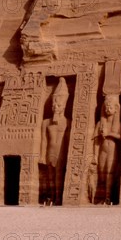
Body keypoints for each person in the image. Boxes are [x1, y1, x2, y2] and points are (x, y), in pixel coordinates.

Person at [40, 78, 70, 206]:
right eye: (53, 105)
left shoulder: (68, 122)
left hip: (61, 152)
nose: (55, 108)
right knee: (50, 177)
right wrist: (41, 156)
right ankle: (50, 197)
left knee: (59, 175)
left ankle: (58, 197)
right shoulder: (46, 123)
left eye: (58, 105)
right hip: (49, 152)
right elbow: (43, 140)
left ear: (64, 106)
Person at [92, 94, 121, 205]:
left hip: (113, 151)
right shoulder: (100, 123)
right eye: (106, 107)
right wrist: (94, 155)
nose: (107, 109)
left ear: (116, 109)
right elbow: (95, 141)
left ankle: (108, 197)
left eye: (110, 107)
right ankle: (101, 196)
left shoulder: (119, 124)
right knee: (101, 173)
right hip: (102, 150)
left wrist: (109, 133)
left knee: (110, 172)